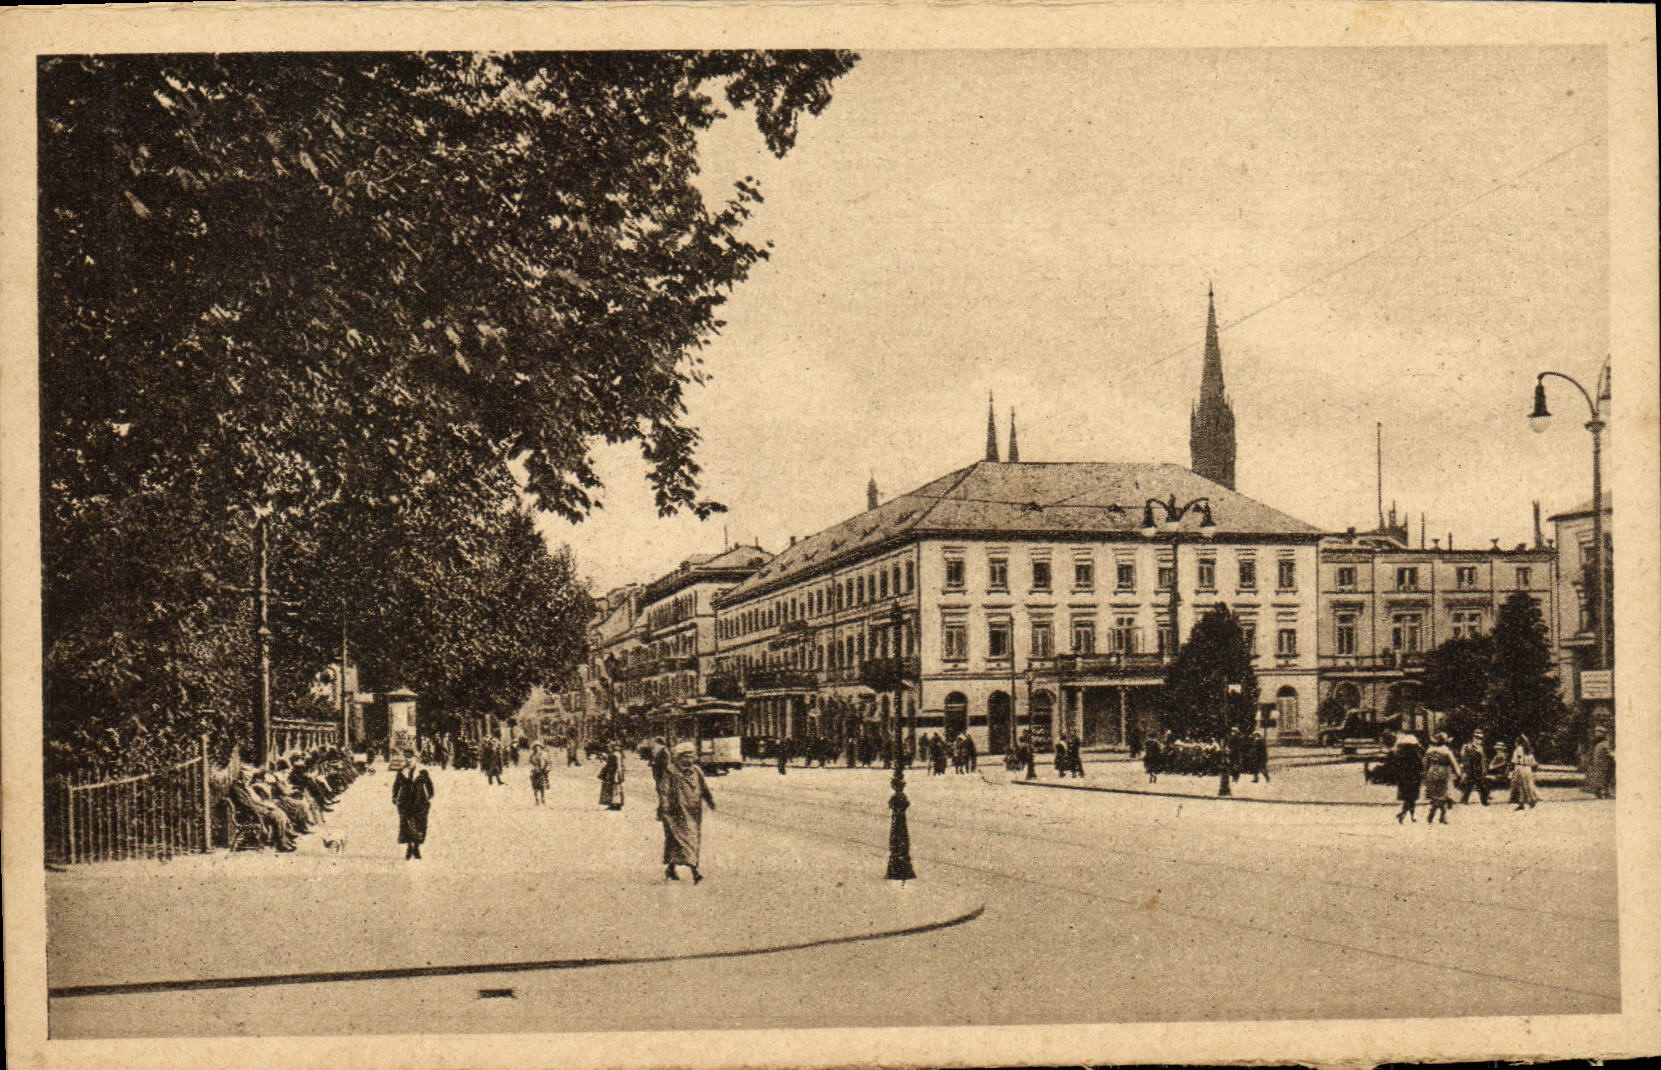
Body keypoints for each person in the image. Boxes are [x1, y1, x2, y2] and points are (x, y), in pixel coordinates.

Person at [657, 740, 716, 883]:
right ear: (679, 757)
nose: (689, 759)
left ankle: (671, 868)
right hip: (676, 812)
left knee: (685, 841)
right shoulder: (671, 771)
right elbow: (664, 790)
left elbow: (704, 788)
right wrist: (664, 806)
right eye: (686, 756)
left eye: (691, 756)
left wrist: (710, 801)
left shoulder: (696, 771)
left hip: (694, 812)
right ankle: (695, 871)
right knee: (686, 840)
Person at [392, 751, 434, 860]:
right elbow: (396, 785)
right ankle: (409, 847)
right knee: (407, 824)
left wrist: (430, 794)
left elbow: (428, 784)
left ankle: (416, 846)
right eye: (407, 759)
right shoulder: (402, 772)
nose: (409, 761)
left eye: (411, 759)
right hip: (405, 802)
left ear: (415, 759)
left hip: (419, 801)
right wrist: (394, 796)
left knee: (419, 824)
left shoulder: (422, 771)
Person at [1422, 732, 1458, 825]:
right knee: (1443, 796)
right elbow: (1454, 763)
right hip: (1443, 773)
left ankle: (1442, 816)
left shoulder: (1429, 751)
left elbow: (1425, 763)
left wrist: (1425, 774)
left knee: (1436, 795)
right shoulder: (1446, 751)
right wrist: (1458, 773)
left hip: (1432, 772)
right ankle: (1433, 814)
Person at [1393, 732, 1424, 823]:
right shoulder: (1416, 754)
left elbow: (1396, 766)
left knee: (1407, 798)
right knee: (1412, 798)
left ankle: (1408, 814)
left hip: (1403, 779)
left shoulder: (1400, 754)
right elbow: (1420, 766)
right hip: (1414, 779)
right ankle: (1406, 813)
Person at [1459, 731, 1490, 805]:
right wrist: (1464, 768)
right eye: (1477, 738)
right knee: (1469, 784)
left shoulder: (1481, 748)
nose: (1479, 740)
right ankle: (1464, 799)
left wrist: (1481, 753)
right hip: (1470, 768)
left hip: (1478, 768)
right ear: (1473, 738)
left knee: (1481, 785)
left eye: (1480, 739)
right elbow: (1463, 757)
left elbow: (1484, 759)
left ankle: (1484, 801)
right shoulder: (1467, 746)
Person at [1509, 736, 1540, 810]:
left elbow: (1514, 761)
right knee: (1528, 785)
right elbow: (1534, 763)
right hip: (1528, 769)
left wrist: (1512, 771)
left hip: (1520, 768)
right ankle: (1530, 800)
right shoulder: (1529, 750)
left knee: (1519, 786)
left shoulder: (1518, 749)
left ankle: (1522, 803)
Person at [1585, 729, 1615, 799]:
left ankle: (1603, 793)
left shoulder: (1604, 743)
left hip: (1603, 764)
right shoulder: (1600, 744)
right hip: (1599, 764)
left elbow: (1609, 753)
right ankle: (1601, 793)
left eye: (1599, 733)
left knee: (1603, 778)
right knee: (1601, 778)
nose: (1597, 734)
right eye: (1597, 733)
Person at [598, 743, 625, 810]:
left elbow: (615, 765)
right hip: (616, 773)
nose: (608, 749)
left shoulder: (614, 755)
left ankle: (615, 804)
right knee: (616, 788)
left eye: (609, 747)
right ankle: (616, 804)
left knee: (614, 789)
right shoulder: (617, 754)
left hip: (614, 773)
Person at [529, 741, 551, 806]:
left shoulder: (544, 754)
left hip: (542, 771)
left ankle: (543, 798)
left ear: (540, 747)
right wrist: (533, 769)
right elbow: (531, 763)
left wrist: (547, 769)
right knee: (534, 786)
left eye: (538, 746)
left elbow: (548, 762)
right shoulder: (532, 755)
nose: (537, 748)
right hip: (535, 772)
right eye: (535, 747)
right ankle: (536, 799)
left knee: (542, 785)